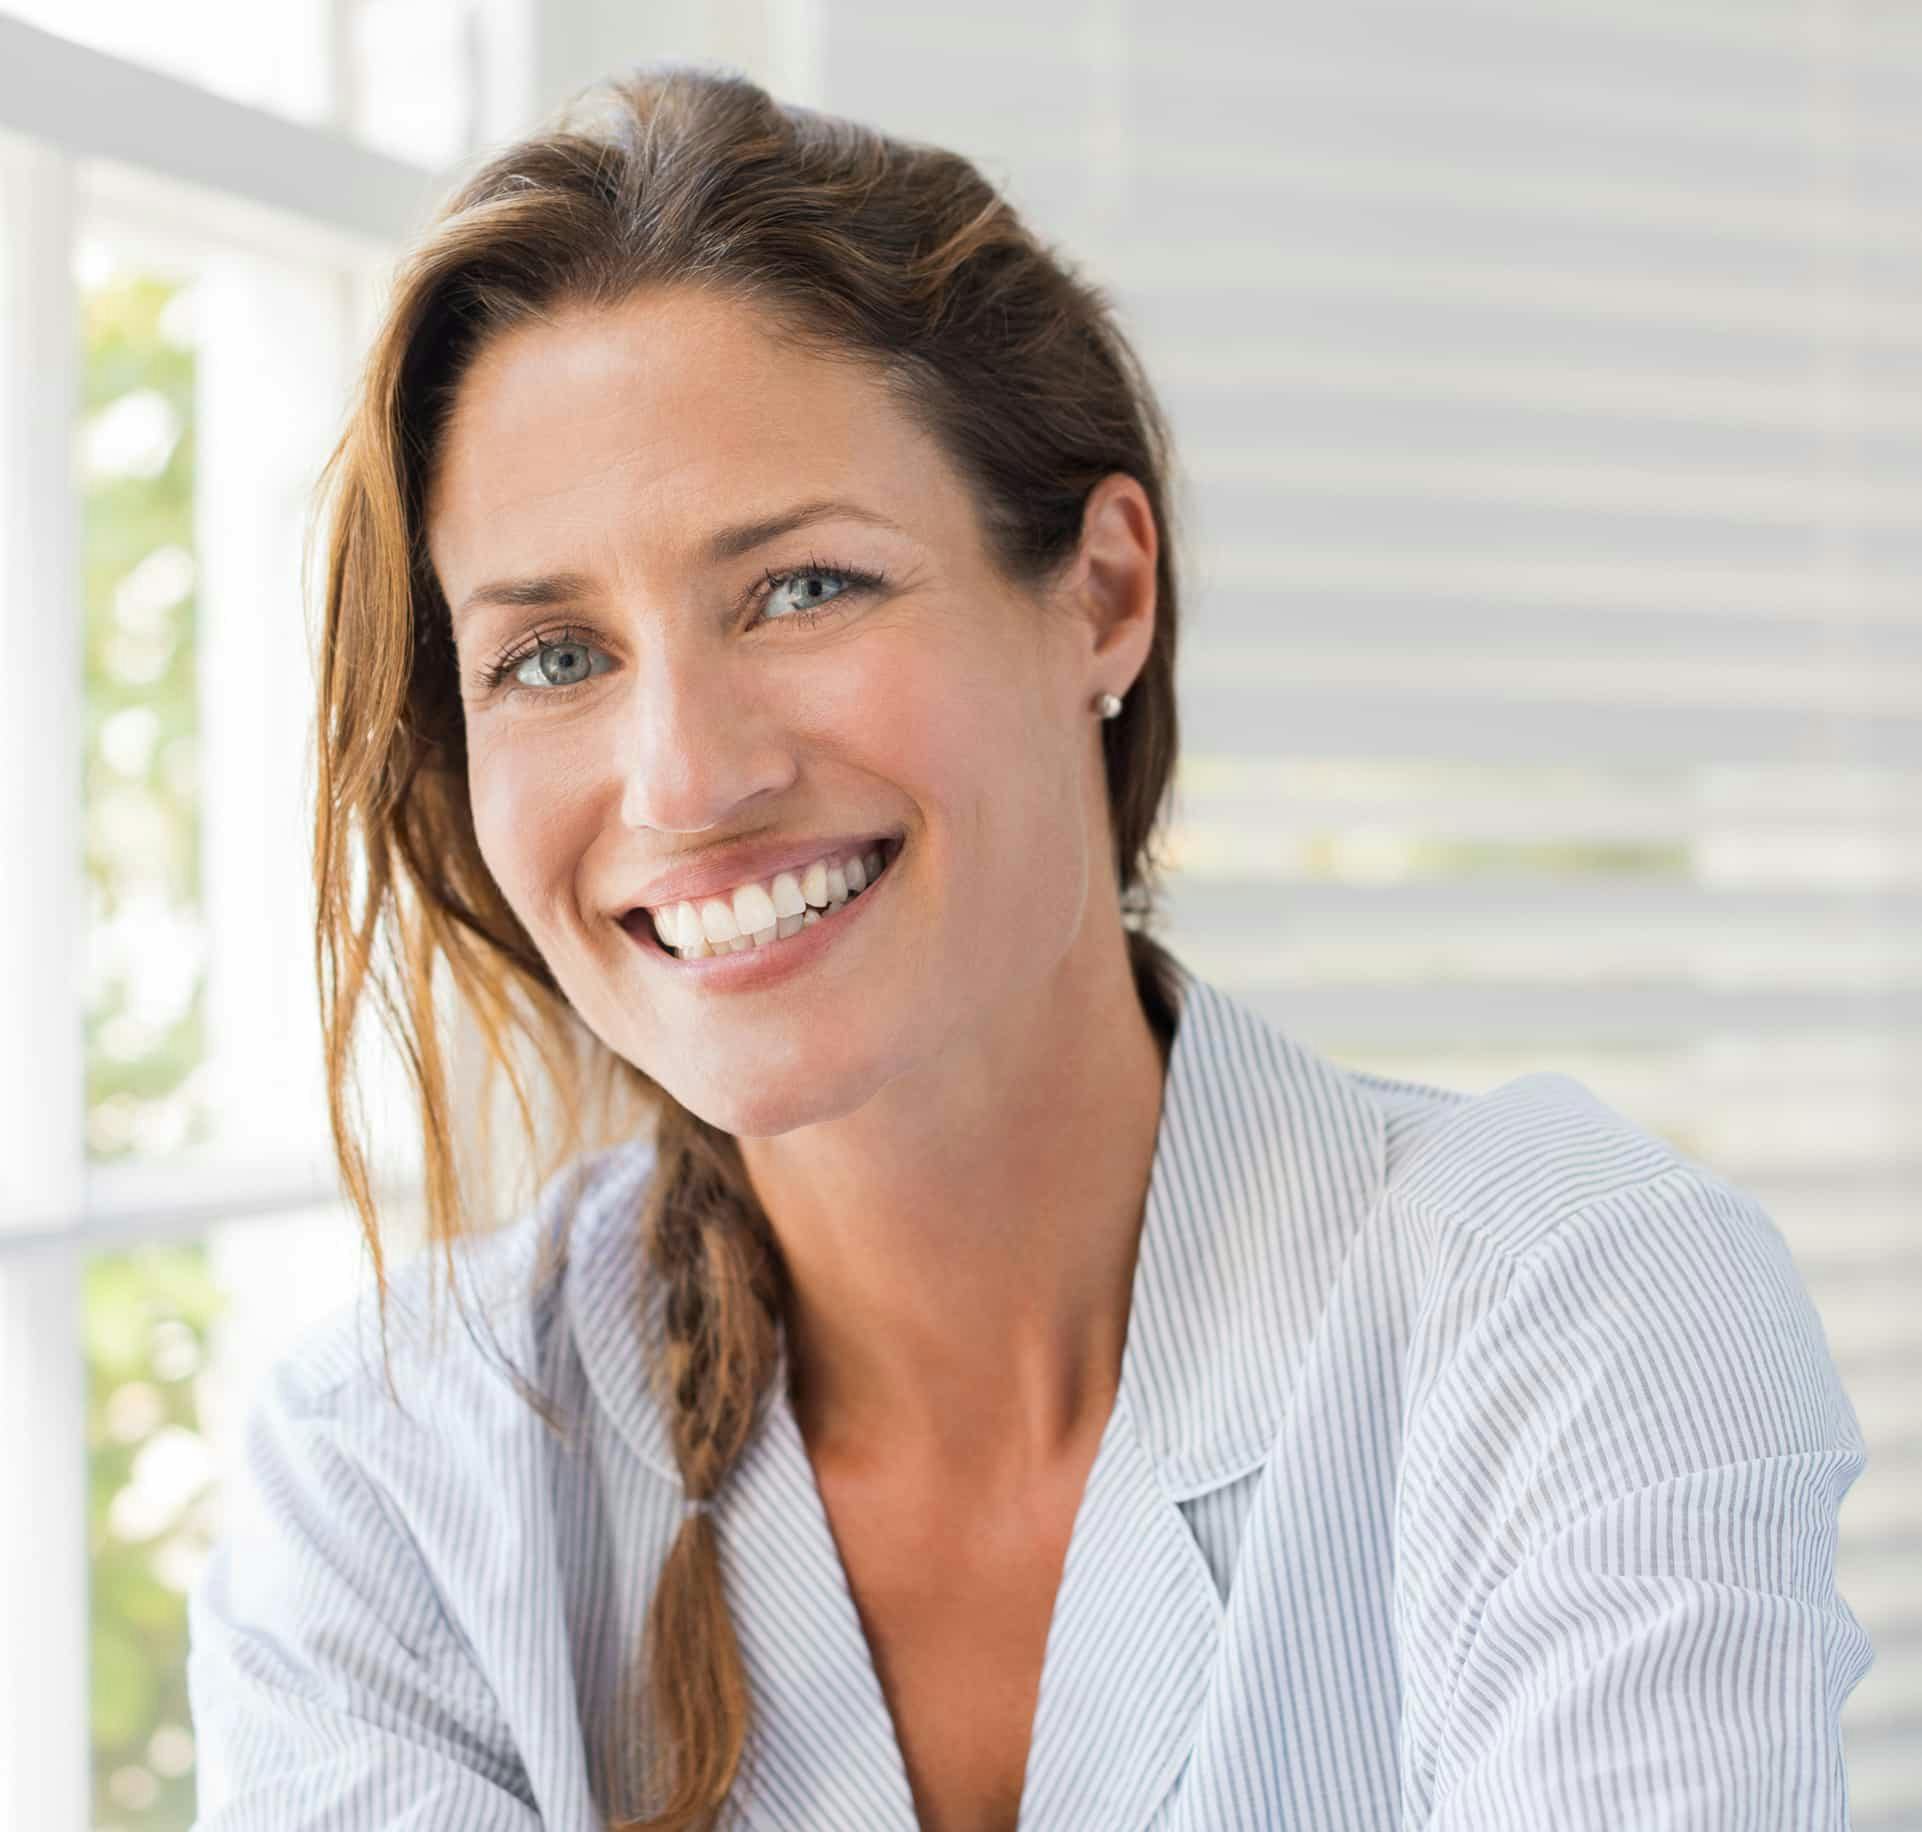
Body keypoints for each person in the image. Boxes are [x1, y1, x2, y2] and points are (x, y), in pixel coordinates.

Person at [184, 64, 1873, 1832]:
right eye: (551, 656)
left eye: (804, 588)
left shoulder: (1566, 1308)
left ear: (1102, 593)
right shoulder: (392, 1480)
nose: (685, 780)